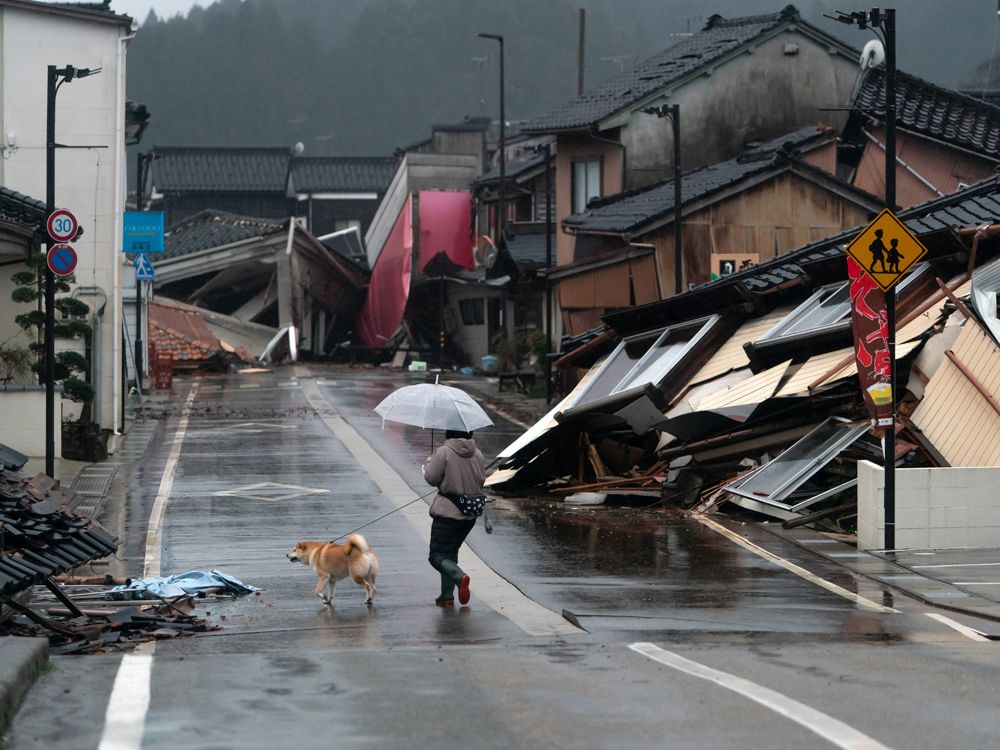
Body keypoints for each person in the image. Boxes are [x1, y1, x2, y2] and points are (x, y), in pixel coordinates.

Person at [423, 429, 486, 607]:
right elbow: (481, 481)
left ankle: (460, 578)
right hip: (469, 515)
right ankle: (446, 596)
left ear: (449, 431)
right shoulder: (478, 454)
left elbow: (431, 478)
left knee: (437, 555)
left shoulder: (443, 452)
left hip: (448, 513)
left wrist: (429, 464)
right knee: (450, 553)